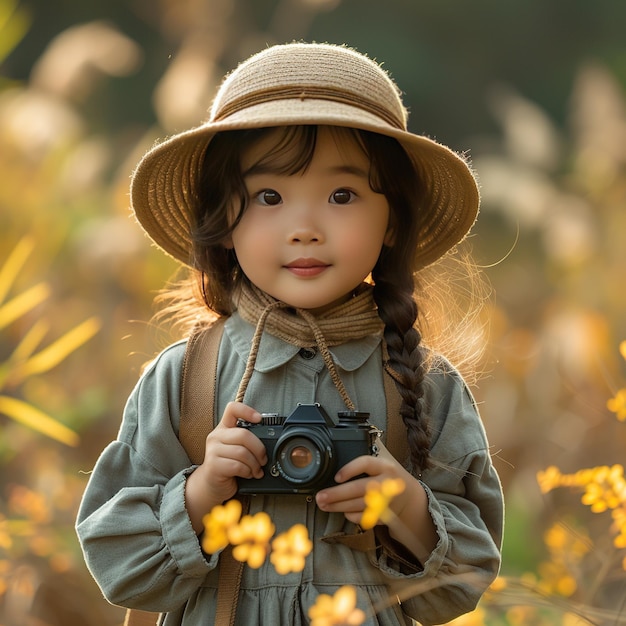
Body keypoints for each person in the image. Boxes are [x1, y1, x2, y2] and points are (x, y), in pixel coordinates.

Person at [76, 42, 503, 626]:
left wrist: (402, 502)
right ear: (223, 219)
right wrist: (202, 490)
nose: (304, 229)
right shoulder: (184, 379)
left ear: (393, 220)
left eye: (342, 195)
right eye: (269, 197)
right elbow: (119, 567)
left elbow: (466, 583)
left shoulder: (423, 386)